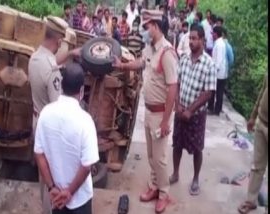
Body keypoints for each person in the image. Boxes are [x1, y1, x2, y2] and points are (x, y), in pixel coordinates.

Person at [113, 9, 178, 213]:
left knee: (159, 158)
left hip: (160, 115)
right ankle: (154, 187)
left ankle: (164, 194)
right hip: (149, 112)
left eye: (148, 27)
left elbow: (173, 88)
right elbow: (141, 63)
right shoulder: (150, 49)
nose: (146, 31)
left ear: (156, 27)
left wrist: (166, 121)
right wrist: (122, 66)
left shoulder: (167, 53)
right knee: (151, 155)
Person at [28, 16, 79, 214]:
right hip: (50, 130)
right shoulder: (52, 71)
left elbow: (50, 63)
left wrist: (69, 54)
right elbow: (59, 109)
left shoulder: (35, 57)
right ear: (58, 41)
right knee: (54, 178)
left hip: (37, 120)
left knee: (43, 176)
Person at [34, 63, 99, 214]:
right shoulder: (85, 120)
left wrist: (52, 187)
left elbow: (39, 153)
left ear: (61, 86)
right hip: (79, 200)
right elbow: (87, 165)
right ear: (82, 90)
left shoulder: (45, 114)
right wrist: (69, 192)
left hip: (56, 198)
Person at [169, 23, 217, 196]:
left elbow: (208, 93)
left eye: (194, 38)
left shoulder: (209, 64)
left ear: (203, 40)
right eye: (190, 38)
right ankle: (175, 173)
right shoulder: (184, 58)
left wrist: (190, 110)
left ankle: (196, 179)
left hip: (196, 115)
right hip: (181, 110)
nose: (191, 41)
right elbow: (178, 82)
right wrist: (177, 104)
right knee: (177, 144)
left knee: (197, 148)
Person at [237, 74, 268, 214]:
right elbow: (262, 92)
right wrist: (253, 116)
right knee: (257, 166)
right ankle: (251, 200)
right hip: (262, 122)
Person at [207, 26, 227, 116]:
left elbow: (218, 61)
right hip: (220, 72)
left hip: (218, 72)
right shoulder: (220, 43)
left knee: (216, 91)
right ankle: (214, 108)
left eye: (213, 33)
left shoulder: (219, 44)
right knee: (218, 91)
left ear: (216, 33)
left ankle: (214, 109)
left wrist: (213, 70)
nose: (212, 35)